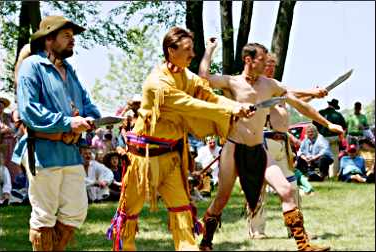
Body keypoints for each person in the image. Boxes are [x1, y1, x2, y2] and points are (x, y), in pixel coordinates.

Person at [107, 27, 254, 251]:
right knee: (128, 216)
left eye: (193, 49)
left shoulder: (187, 76)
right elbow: (191, 105)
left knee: (182, 211)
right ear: (171, 50)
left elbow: (208, 96)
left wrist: (236, 106)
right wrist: (233, 109)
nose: (192, 55)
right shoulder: (157, 83)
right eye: (187, 50)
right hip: (142, 161)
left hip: (171, 158)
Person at [198, 39, 343, 251]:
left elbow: (297, 101)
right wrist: (210, 50)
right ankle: (205, 243)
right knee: (221, 199)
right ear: (249, 60)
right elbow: (204, 79)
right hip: (234, 148)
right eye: (262, 59)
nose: (266, 64)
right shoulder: (232, 82)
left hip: (259, 149)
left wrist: (328, 123)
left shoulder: (270, 85)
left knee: (286, 190)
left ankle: (303, 245)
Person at [11, 15, 101, 251]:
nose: (73, 41)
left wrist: (93, 118)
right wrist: (69, 122)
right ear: (49, 39)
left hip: (70, 152)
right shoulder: (32, 66)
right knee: (44, 216)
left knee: (76, 211)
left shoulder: (69, 70)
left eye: (73, 37)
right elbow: (30, 110)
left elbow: (87, 103)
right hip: (42, 151)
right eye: (67, 36)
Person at [246, 53, 318, 240]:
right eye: (268, 64)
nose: (271, 68)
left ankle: (294, 227)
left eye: (273, 65)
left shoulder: (276, 86)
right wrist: (311, 92)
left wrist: (313, 95)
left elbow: (292, 98)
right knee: (259, 188)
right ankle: (256, 230)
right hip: (262, 140)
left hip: (281, 143)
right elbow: (290, 94)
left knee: (292, 186)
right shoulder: (257, 86)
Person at [313, 99, 347, 178]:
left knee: (322, 156)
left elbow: (314, 124)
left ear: (329, 104)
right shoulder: (338, 115)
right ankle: (332, 175)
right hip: (334, 138)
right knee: (334, 156)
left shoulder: (321, 112)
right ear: (335, 107)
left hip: (322, 138)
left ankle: (323, 174)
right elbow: (344, 128)